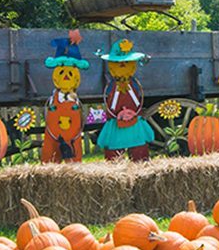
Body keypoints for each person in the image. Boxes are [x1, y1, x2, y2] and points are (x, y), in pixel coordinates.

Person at [95, 39, 155, 161]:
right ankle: (115, 162)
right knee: (114, 150)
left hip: (134, 120)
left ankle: (140, 160)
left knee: (139, 149)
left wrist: (133, 112)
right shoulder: (112, 86)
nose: (122, 65)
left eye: (127, 62)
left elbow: (137, 99)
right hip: (116, 121)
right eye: (118, 63)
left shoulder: (134, 84)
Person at [41, 32, 88, 163]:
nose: (66, 76)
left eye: (71, 73)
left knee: (74, 164)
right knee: (49, 162)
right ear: (56, 77)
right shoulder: (51, 101)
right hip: (53, 138)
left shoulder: (76, 102)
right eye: (61, 72)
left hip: (73, 139)